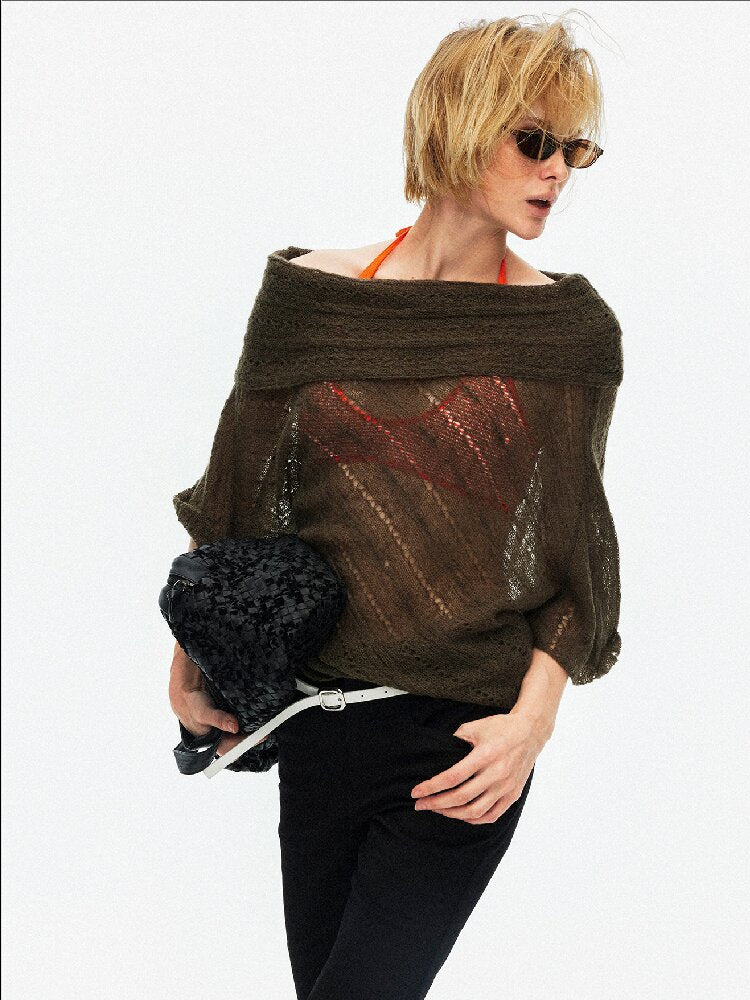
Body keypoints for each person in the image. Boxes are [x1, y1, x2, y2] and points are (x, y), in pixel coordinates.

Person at [168, 12, 623, 999]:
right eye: (534, 141)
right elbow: (236, 500)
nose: (557, 170)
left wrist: (530, 727)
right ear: (457, 124)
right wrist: (190, 662)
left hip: (463, 745)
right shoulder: (309, 298)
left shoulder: (566, 331)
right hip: (316, 727)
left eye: (574, 149)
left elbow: (578, 560)